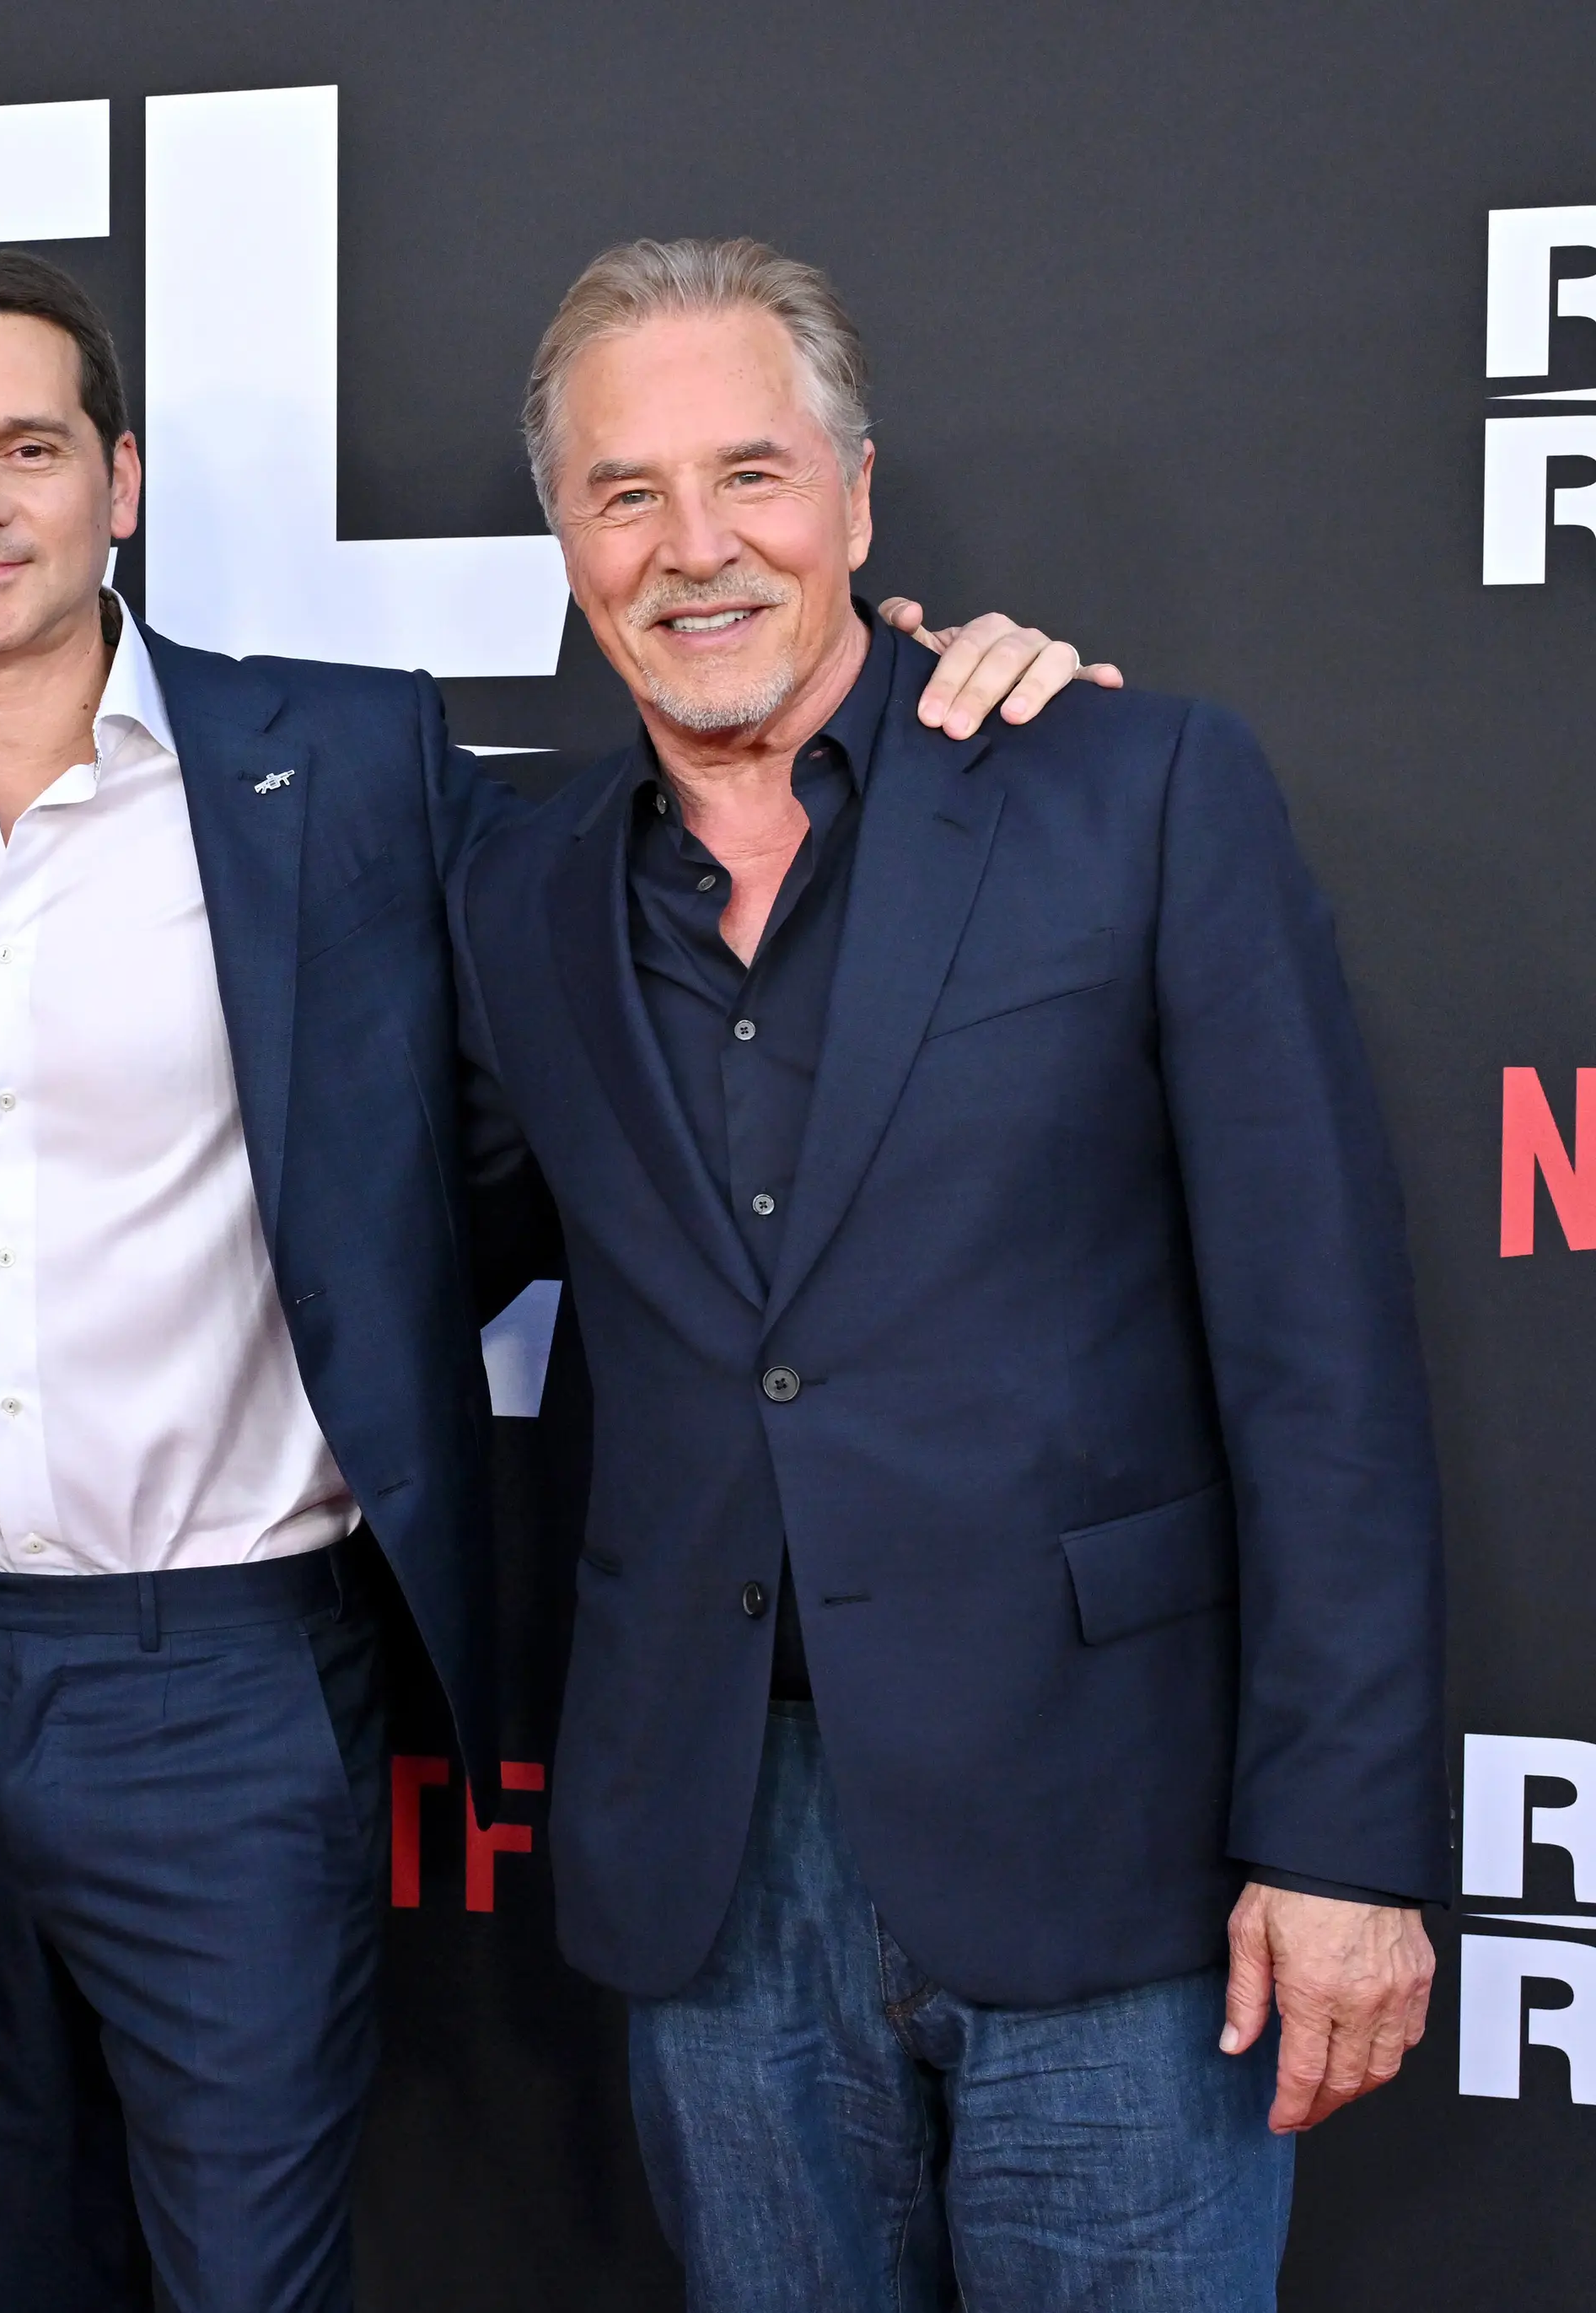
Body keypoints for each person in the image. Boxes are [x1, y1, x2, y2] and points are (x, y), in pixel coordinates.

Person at [0, 247, 1098, 2313]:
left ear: (120, 481)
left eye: (30, 449)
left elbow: (668, 922)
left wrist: (978, 700)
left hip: (232, 1684)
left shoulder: (343, 761)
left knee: (256, 2281)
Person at [449, 238, 1445, 2311]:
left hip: (1111, 1837)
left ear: (861, 500)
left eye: (754, 476)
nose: (694, 548)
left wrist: (1343, 1844)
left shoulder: (1132, 790)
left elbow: (1321, 1358)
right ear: (563, 538)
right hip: (709, 1861)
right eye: (626, 493)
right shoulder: (517, 887)